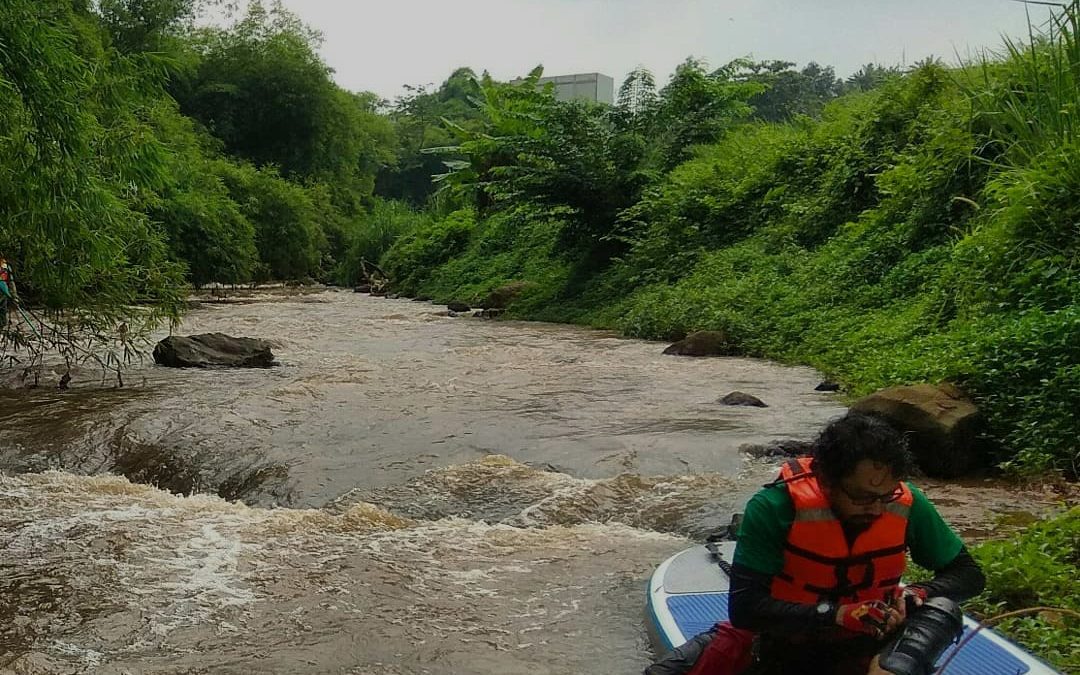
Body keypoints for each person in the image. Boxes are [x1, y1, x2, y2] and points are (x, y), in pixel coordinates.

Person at [647, 411, 985, 675]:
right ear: (826, 480)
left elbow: (968, 574)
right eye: (862, 497)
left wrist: (918, 592)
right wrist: (836, 615)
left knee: (941, 608)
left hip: (871, 643)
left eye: (886, 495)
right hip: (785, 639)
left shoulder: (907, 504)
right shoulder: (774, 508)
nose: (877, 509)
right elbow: (746, 609)